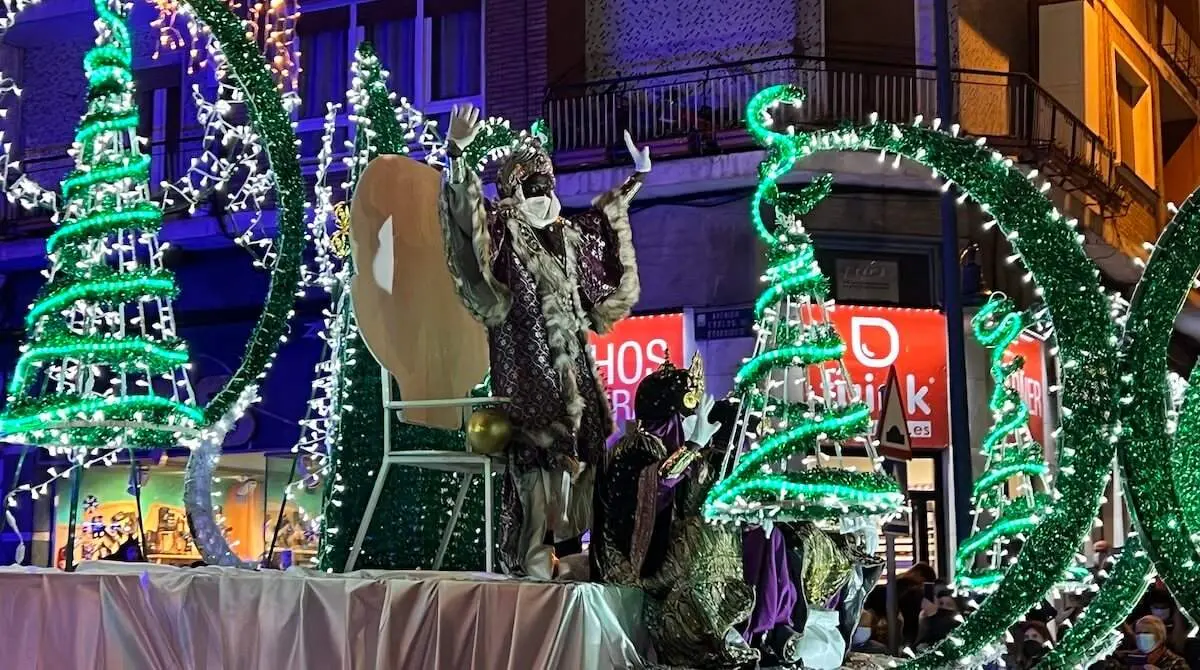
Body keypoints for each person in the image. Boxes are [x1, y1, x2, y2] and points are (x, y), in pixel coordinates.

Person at [440, 104, 650, 578]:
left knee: (587, 448)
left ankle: (585, 551)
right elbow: (466, 225)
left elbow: (604, 223)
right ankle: (532, 553)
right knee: (536, 454)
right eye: (536, 188)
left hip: (573, 366)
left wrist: (637, 178)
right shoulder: (503, 233)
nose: (548, 196)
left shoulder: (567, 235)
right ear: (515, 191)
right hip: (525, 364)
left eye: (550, 187)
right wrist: (455, 153)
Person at [592, 359, 758, 669]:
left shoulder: (681, 452)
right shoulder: (635, 447)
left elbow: (700, 495)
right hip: (631, 559)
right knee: (701, 534)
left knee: (716, 524)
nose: (692, 418)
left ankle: (718, 627)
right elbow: (656, 484)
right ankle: (697, 636)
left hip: (665, 547)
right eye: (687, 411)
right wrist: (693, 446)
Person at [1105, 615, 1188, 670]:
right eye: (1138, 633)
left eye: (1147, 633)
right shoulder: (1128, 658)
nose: (1141, 636)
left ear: (1160, 635)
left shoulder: (1176, 662)